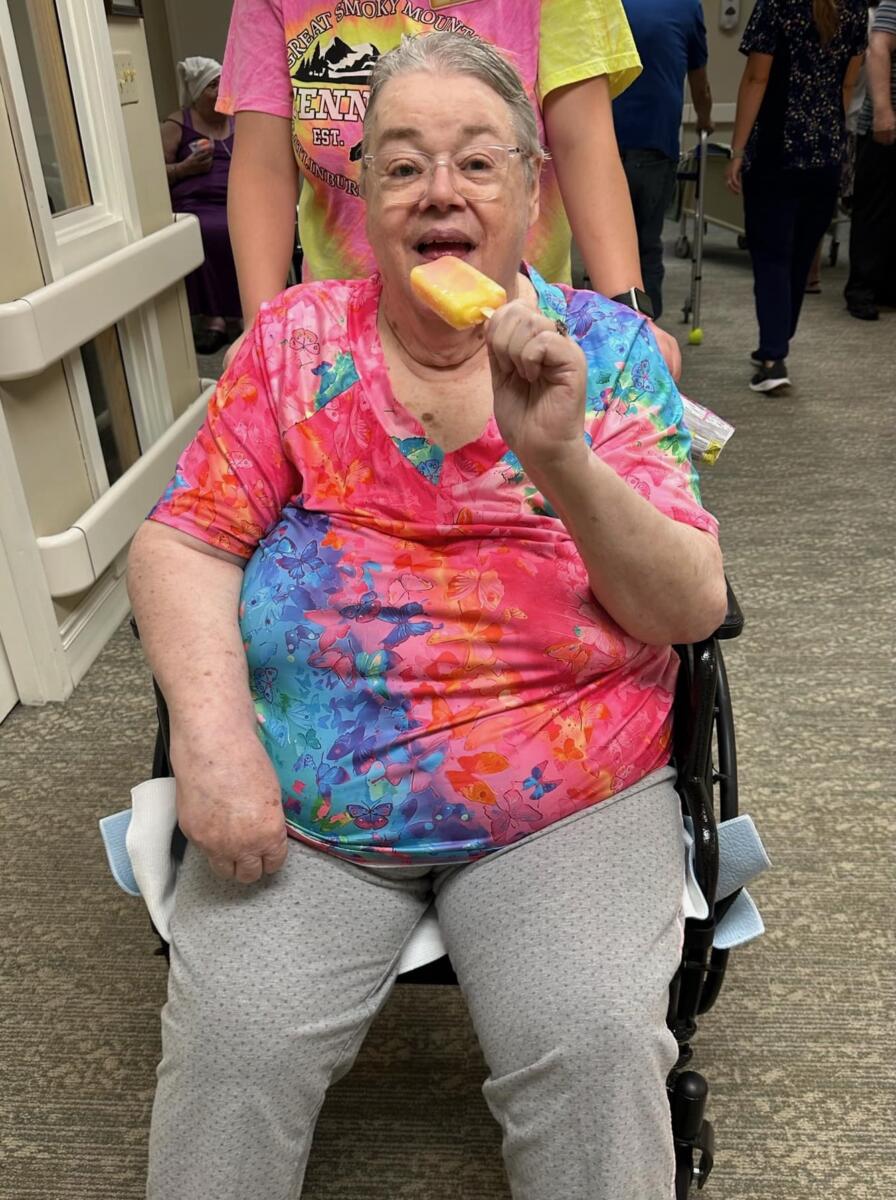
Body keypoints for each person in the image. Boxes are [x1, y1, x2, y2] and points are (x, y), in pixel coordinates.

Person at [129, 32, 727, 1200]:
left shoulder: (605, 352)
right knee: (231, 1044)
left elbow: (684, 607)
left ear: (530, 194)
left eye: (476, 163)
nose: (438, 191)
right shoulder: (296, 340)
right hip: (310, 800)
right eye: (401, 165)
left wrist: (559, 457)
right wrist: (212, 741)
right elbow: (185, 540)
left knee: (595, 1043)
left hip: (565, 797)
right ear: (362, 199)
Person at [216, 0, 684, 379]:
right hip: (338, 338)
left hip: (517, 330)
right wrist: (262, 330)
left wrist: (626, 313)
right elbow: (264, 166)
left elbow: (583, 146)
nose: (440, 194)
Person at [725, 0, 867, 393]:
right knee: (801, 255)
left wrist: (737, 150)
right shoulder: (855, 7)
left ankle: (774, 358)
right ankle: (776, 341)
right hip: (826, 152)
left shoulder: (778, 3)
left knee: (771, 254)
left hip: (776, 150)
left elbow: (756, 78)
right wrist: (829, 136)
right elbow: (847, 85)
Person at [612, 0, 714, 318]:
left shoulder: (606, 5)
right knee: (647, 245)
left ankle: (604, 326)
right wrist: (705, 120)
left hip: (605, 142)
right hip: (656, 144)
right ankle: (647, 327)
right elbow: (700, 86)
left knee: (606, 245)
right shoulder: (686, 7)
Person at [161, 58, 242, 355]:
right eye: (212, 85)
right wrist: (185, 168)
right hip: (195, 205)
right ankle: (213, 317)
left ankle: (242, 312)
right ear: (197, 93)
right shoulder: (176, 125)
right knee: (206, 232)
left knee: (247, 229)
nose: (221, 91)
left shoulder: (238, 121)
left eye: (223, 83)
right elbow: (153, 175)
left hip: (235, 200)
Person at [844, 0, 896, 319]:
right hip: (886, 125)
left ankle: (888, 287)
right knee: (875, 210)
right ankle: (862, 289)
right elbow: (878, 47)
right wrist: (883, 110)